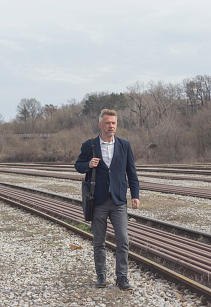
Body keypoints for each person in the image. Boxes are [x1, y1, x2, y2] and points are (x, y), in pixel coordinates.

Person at [74, 109, 140, 291]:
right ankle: (101, 276)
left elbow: (131, 173)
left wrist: (135, 195)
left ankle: (122, 278)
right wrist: (88, 165)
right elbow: (77, 166)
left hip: (118, 200)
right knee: (99, 241)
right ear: (100, 125)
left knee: (123, 239)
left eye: (114, 123)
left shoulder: (125, 145)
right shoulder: (90, 145)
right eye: (108, 123)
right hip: (98, 201)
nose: (111, 126)